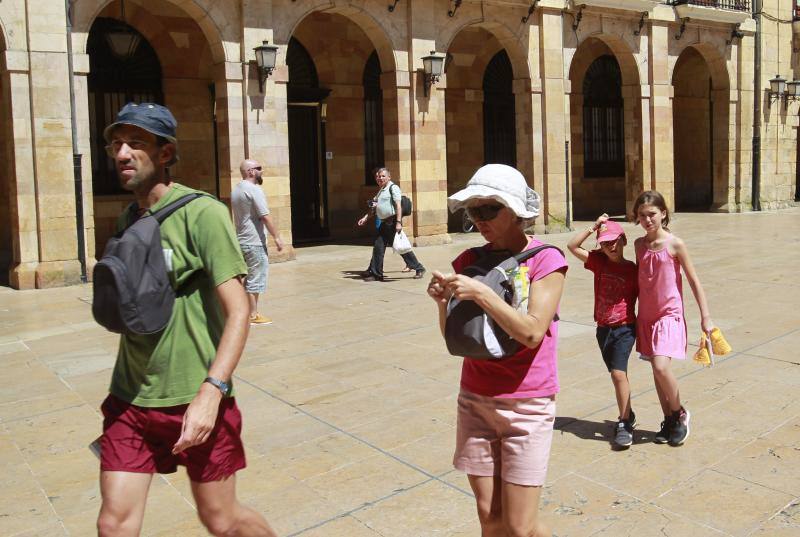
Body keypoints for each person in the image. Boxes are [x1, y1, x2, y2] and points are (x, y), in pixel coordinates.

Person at [97, 103, 276, 537]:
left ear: (165, 152)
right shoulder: (128, 218)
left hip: (196, 396)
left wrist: (212, 393)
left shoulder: (203, 214)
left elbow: (238, 311)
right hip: (131, 398)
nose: (122, 154)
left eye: (136, 144)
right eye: (117, 144)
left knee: (222, 519)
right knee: (113, 524)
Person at [427, 164, 566, 537]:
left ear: (515, 211)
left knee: (520, 527)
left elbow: (533, 333)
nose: (479, 219)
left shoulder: (546, 260)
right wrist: (443, 305)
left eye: (490, 209)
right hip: (476, 399)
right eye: (475, 211)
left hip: (527, 403)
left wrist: (484, 295)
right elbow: (455, 341)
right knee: (490, 517)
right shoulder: (468, 262)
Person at [633, 190, 714, 447]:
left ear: (663, 213)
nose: (647, 220)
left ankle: (679, 413)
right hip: (646, 317)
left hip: (669, 314)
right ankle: (668, 418)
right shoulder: (638, 245)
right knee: (656, 373)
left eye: (652, 214)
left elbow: (693, 280)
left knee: (660, 366)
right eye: (642, 215)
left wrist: (706, 317)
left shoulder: (675, 244)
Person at [567, 214, 639, 448]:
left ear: (624, 240)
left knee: (619, 374)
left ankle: (625, 422)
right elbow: (572, 246)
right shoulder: (599, 263)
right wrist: (594, 227)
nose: (611, 246)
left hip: (625, 328)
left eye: (615, 241)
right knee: (616, 375)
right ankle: (628, 411)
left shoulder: (634, 270)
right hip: (603, 330)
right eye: (605, 243)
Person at [232, 159, 285, 325]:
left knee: (246, 279)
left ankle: (243, 312)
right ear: (250, 172)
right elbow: (265, 216)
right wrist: (276, 236)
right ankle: (253, 315)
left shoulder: (237, 189)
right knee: (256, 278)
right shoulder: (254, 190)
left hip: (241, 240)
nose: (262, 171)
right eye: (258, 168)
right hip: (254, 242)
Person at [356, 167, 425, 281]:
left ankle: (419, 268)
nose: (380, 178)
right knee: (379, 248)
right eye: (378, 176)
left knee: (400, 247)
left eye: (383, 176)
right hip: (384, 223)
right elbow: (374, 209)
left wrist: (398, 222)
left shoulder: (393, 188)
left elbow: (398, 206)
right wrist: (365, 218)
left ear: (389, 177)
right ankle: (375, 273)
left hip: (392, 222)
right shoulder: (381, 190)